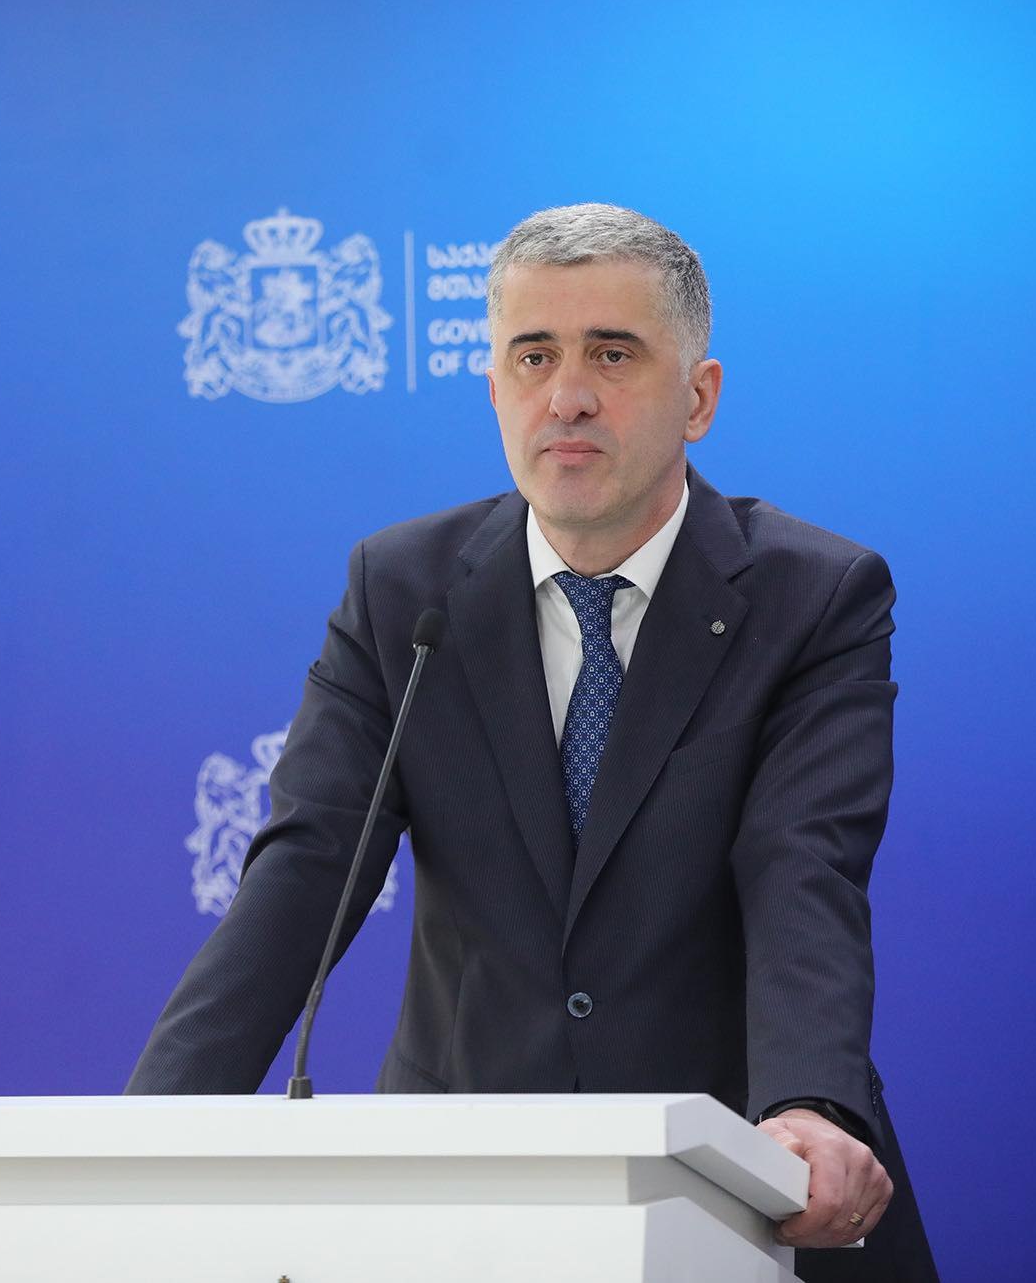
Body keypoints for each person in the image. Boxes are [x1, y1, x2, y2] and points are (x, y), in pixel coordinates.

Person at [128, 203, 937, 1280]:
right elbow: (307, 869)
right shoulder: (401, 592)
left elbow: (803, 868)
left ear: (698, 397)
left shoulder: (815, 597)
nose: (568, 395)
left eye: (613, 353)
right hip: (464, 1192)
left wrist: (806, 1105)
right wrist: (148, 1141)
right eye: (533, 355)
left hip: (745, 1177)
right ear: (495, 389)